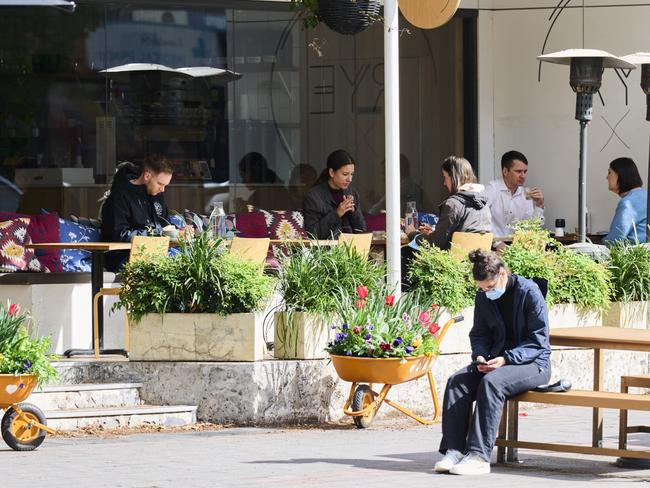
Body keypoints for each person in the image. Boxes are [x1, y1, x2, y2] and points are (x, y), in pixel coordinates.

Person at [434, 250, 551, 476]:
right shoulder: (483, 297)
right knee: (457, 381)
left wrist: (507, 358)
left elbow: (538, 341)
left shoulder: (530, 292)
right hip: (495, 361)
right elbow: (479, 334)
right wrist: (480, 355)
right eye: (482, 288)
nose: (486, 292)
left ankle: (478, 456)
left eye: (489, 287)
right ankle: (455, 450)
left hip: (534, 363)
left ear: (502, 274)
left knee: (491, 383)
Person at [101, 155, 176, 271]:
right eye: (160, 184)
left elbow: (165, 225)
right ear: (147, 176)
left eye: (165, 185)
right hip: (124, 256)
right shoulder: (120, 196)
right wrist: (159, 232)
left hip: (156, 253)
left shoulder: (157, 195)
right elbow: (119, 235)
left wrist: (179, 232)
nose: (163, 189)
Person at [404, 156, 491, 250]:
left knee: (405, 254)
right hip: (478, 260)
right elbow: (466, 232)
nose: (444, 183)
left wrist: (412, 233)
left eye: (445, 177)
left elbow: (434, 243)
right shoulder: (484, 204)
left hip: (452, 262)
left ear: (455, 176)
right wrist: (436, 231)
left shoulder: (453, 204)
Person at [303, 149, 366, 239]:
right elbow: (313, 234)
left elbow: (362, 231)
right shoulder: (313, 196)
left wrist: (354, 213)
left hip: (352, 249)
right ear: (332, 172)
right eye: (345, 174)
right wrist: (337, 214)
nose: (350, 179)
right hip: (327, 250)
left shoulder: (352, 193)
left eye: (352, 174)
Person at [483, 150, 545, 238]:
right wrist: (497, 243)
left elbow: (531, 227)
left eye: (525, 171)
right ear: (505, 171)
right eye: (518, 171)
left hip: (517, 246)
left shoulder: (526, 193)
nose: (523, 176)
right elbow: (481, 219)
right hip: (492, 244)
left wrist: (539, 206)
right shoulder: (491, 189)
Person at [602, 157, 648, 244]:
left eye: (609, 172)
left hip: (634, 254)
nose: (607, 177)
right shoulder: (645, 195)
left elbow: (614, 240)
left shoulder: (628, 203)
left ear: (620, 174)